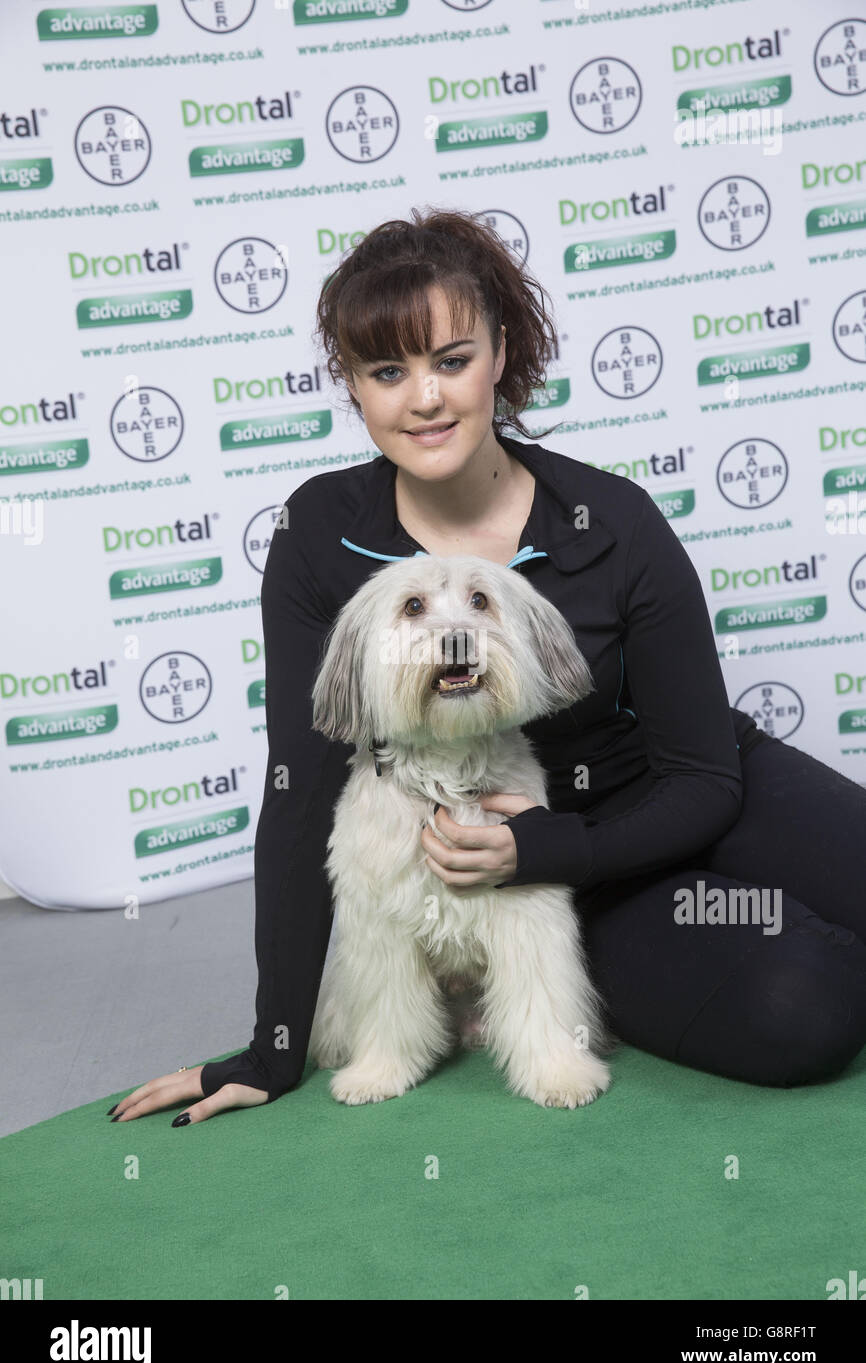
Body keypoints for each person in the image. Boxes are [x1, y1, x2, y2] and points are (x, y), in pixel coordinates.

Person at [110, 207, 866, 1126]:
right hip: (557, 881)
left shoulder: (611, 519)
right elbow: (301, 788)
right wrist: (276, 1044)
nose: (424, 398)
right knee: (803, 1008)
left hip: (676, 790)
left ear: (501, 354)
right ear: (352, 387)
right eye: (388, 372)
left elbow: (706, 774)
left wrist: (557, 840)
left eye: (451, 360)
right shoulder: (319, 535)